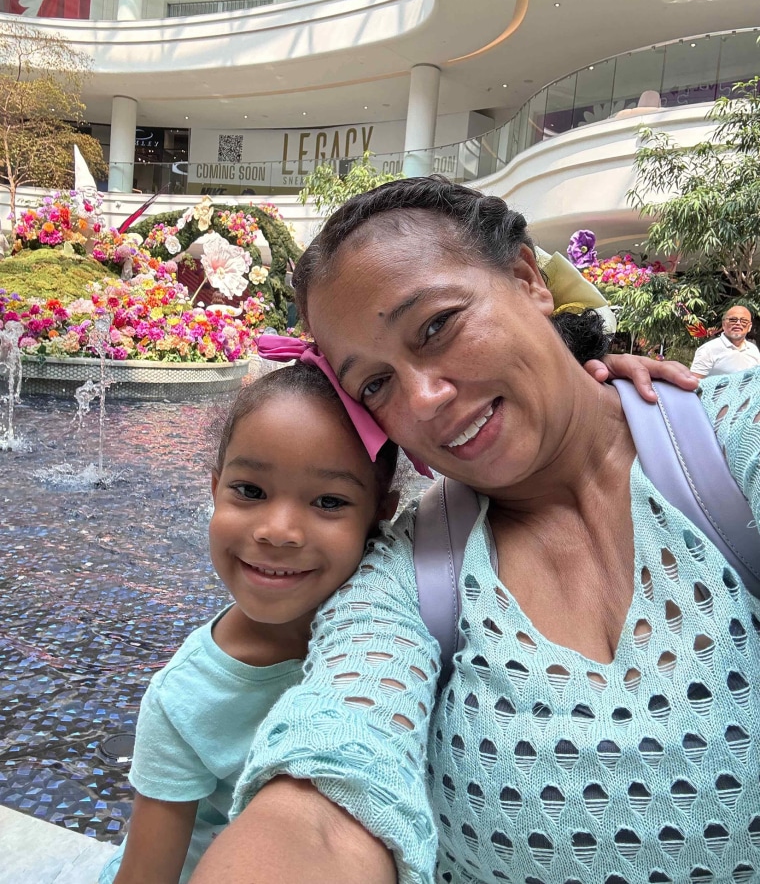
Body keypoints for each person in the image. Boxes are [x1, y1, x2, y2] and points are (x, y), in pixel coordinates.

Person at [192, 178, 759, 884]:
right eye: (376, 385)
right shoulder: (412, 572)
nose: (423, 399)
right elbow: (331, 782)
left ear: (528, 279)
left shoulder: (735, 441)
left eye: (436, 326)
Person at [99, 362, 399, 884]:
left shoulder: (398, 627)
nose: (278, 531)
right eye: (251, 491)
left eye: (329, 501)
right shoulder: (185, 700)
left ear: (380, 515)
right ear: (215, 488)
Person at [690, 304, 760, 379]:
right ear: (724, 325)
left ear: (749, 327)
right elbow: (694, 383)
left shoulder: (753, 349)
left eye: (744, 321)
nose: (738, 323)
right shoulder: (707, 350)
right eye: (733, 320)